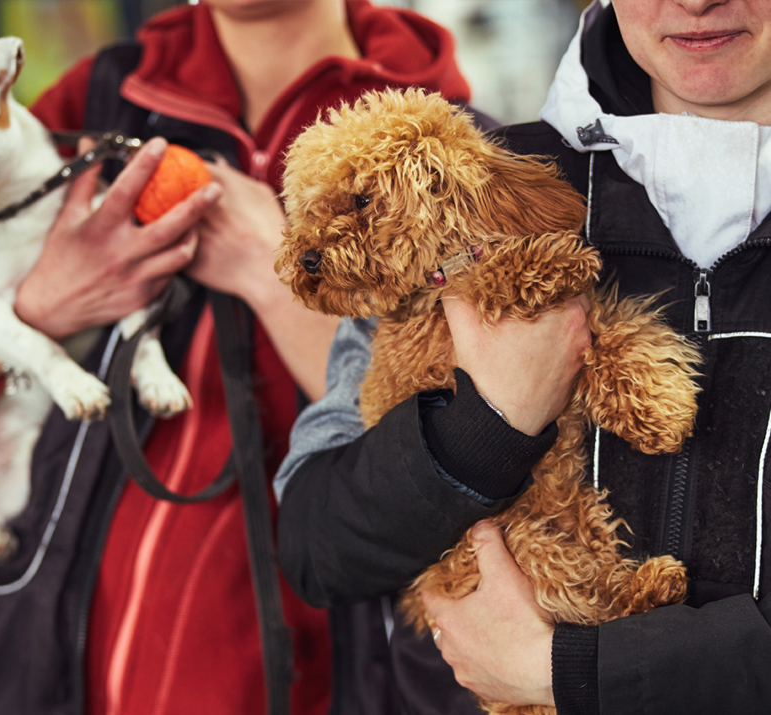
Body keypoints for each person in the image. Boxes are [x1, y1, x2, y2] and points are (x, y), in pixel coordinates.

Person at [0, 1, 475, 713]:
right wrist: (43, 306)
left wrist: (274, 280)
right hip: (71, 642)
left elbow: (460, 432)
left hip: (311, 651)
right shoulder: (102, 94)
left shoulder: (437, 135)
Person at [274, 0, 771, 713]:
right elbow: (316, 543)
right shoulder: (460, 191)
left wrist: (573, 670)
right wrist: (487, 425)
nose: (694, 2)